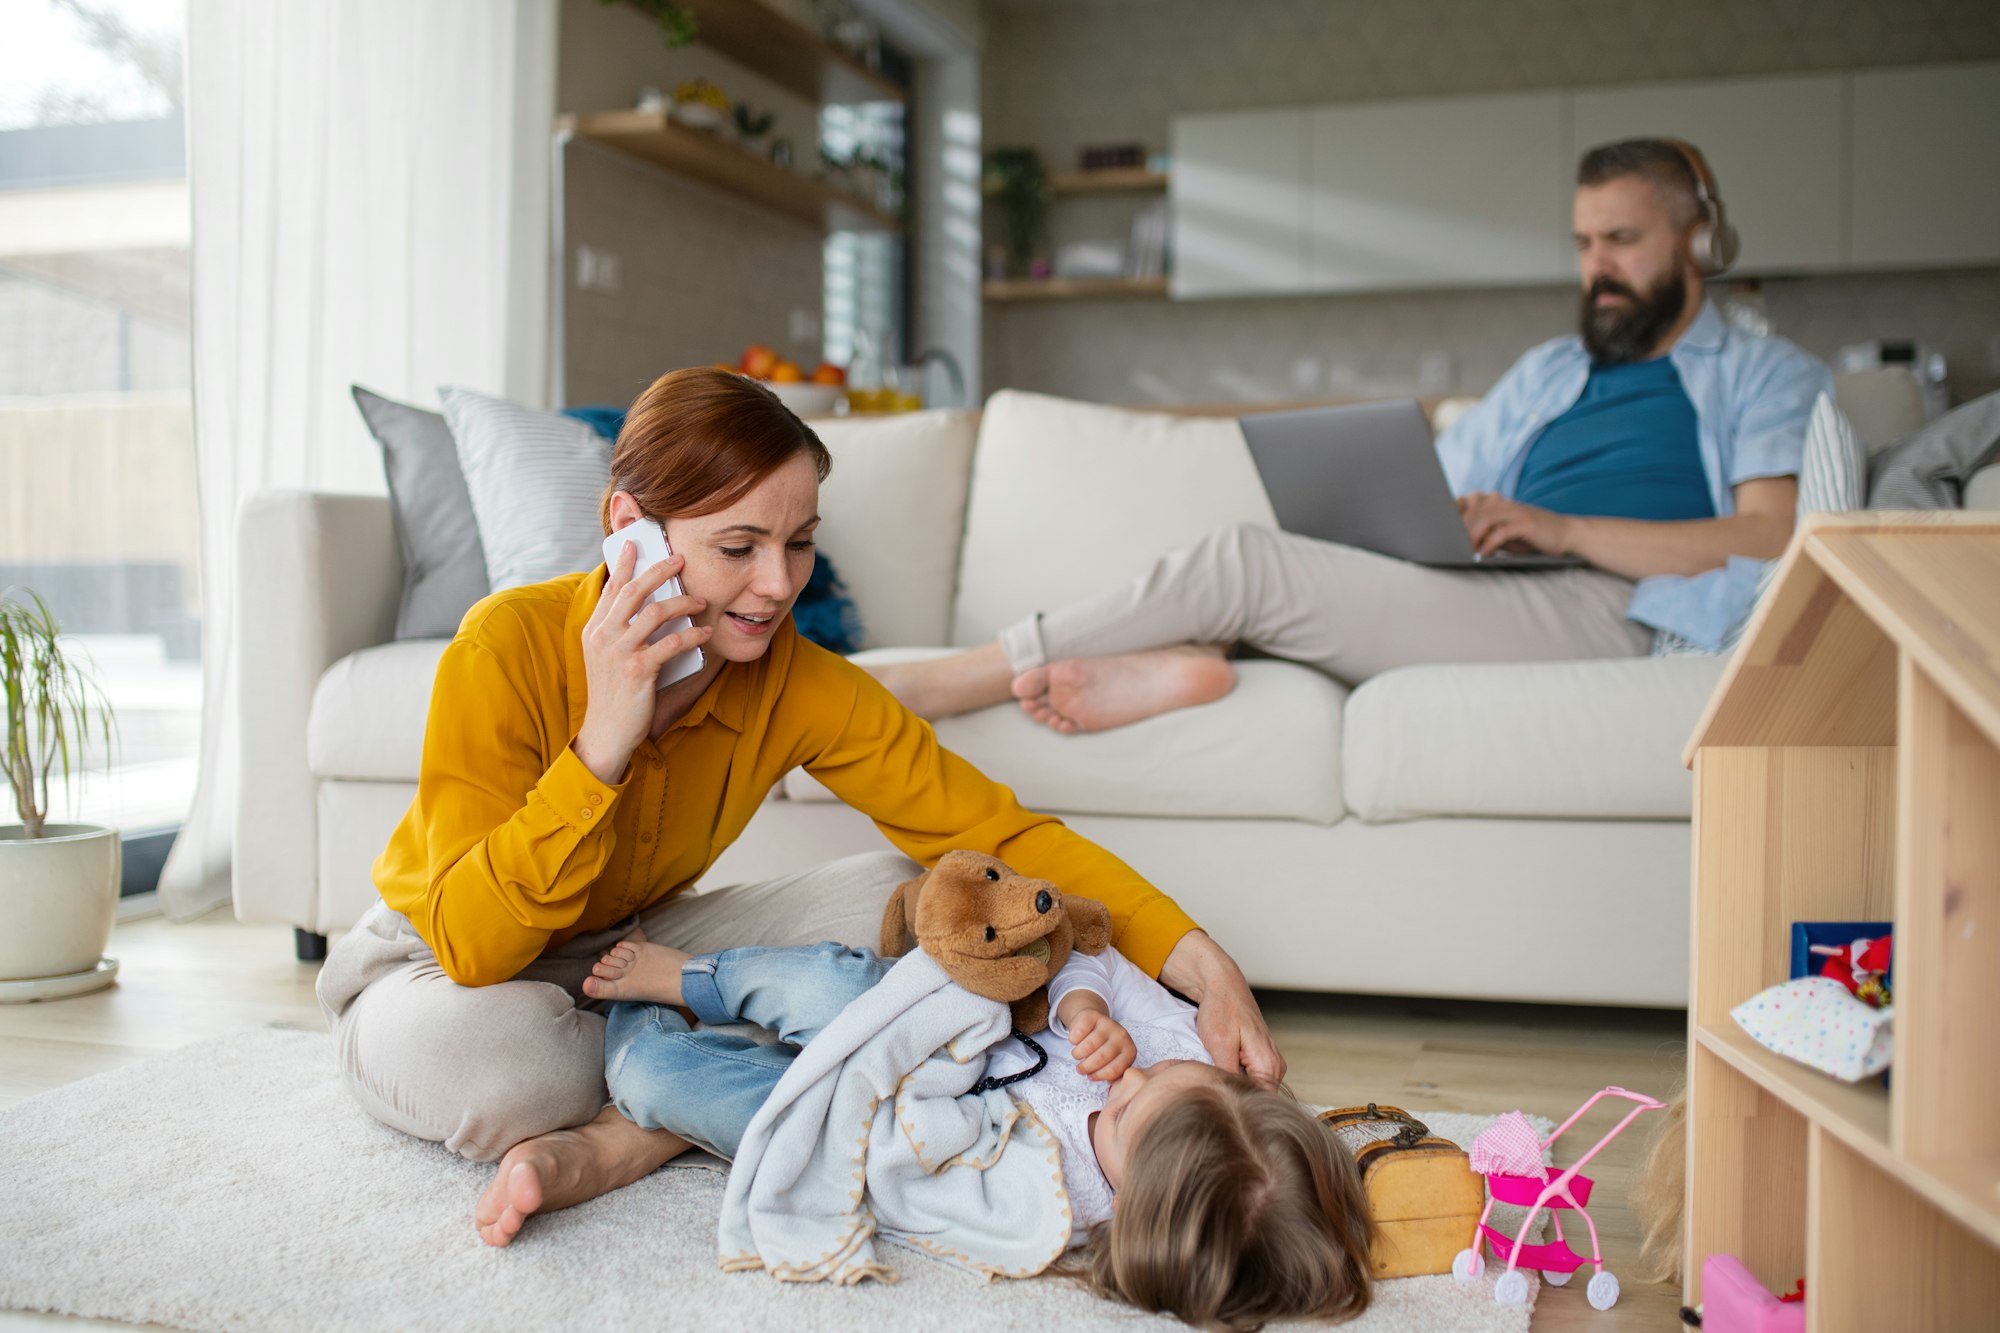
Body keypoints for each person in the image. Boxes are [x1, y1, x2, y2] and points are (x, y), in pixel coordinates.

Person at [312, 367, 1282, 1249]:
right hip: (437, 958)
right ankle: (680, 1096)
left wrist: (1200, 960)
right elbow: (478, 943)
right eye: (738, 546)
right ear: (628, 529)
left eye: (797, 544)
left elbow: (998, 840)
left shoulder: (796, 680)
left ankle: (647, 1114)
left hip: (630, 941)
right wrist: (602, 742)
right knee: (508, 1074)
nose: (776, 586)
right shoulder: (502, 647)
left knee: (925, 907)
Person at [872, 138, 1833, 734]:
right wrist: (1428, 519)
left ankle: (953, 680)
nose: (1597, 269)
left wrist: (1566, 528)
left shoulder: (1764, 372)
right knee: (1297, 554)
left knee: (1245, 560)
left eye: (1622, 241)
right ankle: (1187, 662)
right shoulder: (1551, 370)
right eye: (1584, 244)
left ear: (1697, 245)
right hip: (1503, 585)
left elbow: (1769, 537)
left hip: (1617, 602)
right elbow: (1441, 489)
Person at [583, 932, 1375, 1328]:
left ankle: (638, 1038)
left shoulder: (1054, 1202)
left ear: (1132, 1207)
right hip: (934, 1020)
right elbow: (1091, 956)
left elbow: (910, 1186)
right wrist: (1084, 1009)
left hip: (892, 1115)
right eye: (1167, 1077)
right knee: (835, 981)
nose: (1125, 1076)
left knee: (682, 1085)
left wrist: (911, 1113)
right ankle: (697, 979)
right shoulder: (1186, 1045)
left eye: (1128, 1114)